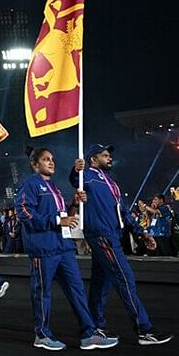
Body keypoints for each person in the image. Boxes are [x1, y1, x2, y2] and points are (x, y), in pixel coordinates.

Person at [15, 147, 117, 351]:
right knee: (42, 292)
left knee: (77, 290)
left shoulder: (53, 187)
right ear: (35, 164)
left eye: (52, 159)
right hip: (43, 249)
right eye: (45, 159)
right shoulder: (30, 185)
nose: (51, 162)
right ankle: (42, 335)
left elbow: (63, 216)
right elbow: (23, 212)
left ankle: (89, 334)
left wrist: (74, 204)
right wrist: (56, 221)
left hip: (63, 248)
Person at [71, 144, 173, 346]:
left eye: (109, 155)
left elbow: (124, 211)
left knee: (101, 283)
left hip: (112, 235)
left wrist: (140, 232)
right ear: (93, 159)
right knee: (125, 278)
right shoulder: (87, 176)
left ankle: (95, 326)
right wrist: (76, 170)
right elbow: (75, 180)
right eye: (105, 155)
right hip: (102, 235)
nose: (109, 158)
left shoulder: (111, 183)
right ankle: (145, 330)